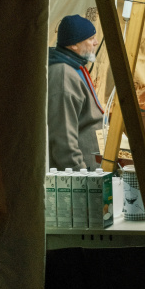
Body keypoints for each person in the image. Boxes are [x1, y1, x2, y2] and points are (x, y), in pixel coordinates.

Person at [47, 14, 104, 171]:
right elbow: (63, 137)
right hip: (82, 173)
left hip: (92, 168)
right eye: (91, 38)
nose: (96, 42)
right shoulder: (63, 74)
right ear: (73, 45)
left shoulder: (74, 66)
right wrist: (81, 175)